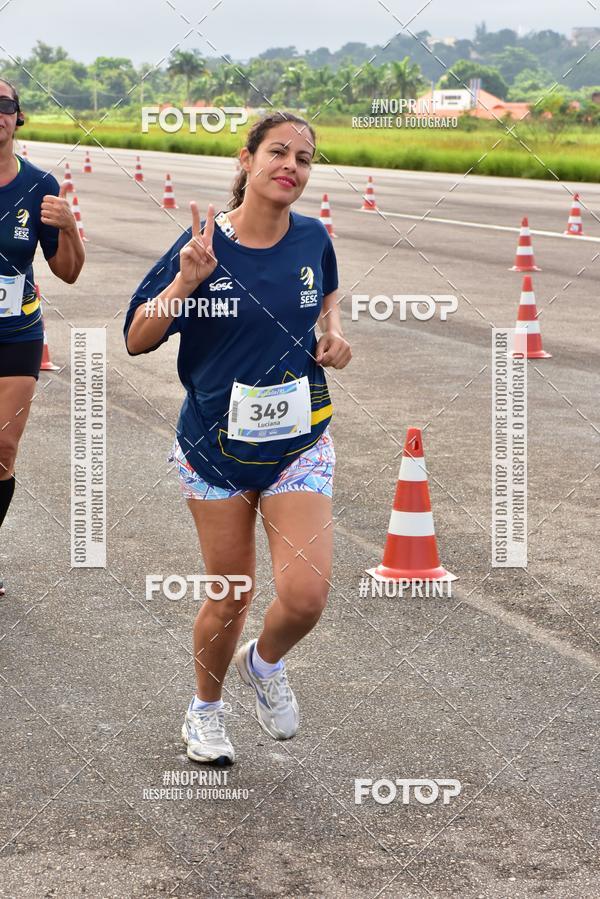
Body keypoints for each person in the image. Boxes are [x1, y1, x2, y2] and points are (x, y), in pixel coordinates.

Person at [124, 112, 351, 766]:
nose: (291, 166)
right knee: (231, 594)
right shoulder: (201, 245)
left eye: (304, 158)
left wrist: (331, 336)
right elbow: (138, 337)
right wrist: (185, 282)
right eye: (278, 152)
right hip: (215, 450)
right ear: (245, 159)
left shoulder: (313, 237)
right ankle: (205, 710)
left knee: (305, 597)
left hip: (297, 443)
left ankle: (266, 662)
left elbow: (326, 291)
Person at [0, 79, 85, 595]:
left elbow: (69, 273)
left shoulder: (39, 186)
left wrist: (70, 228)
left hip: (16, 333)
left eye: (4, 105)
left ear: (17, 116)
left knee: (3, 447)